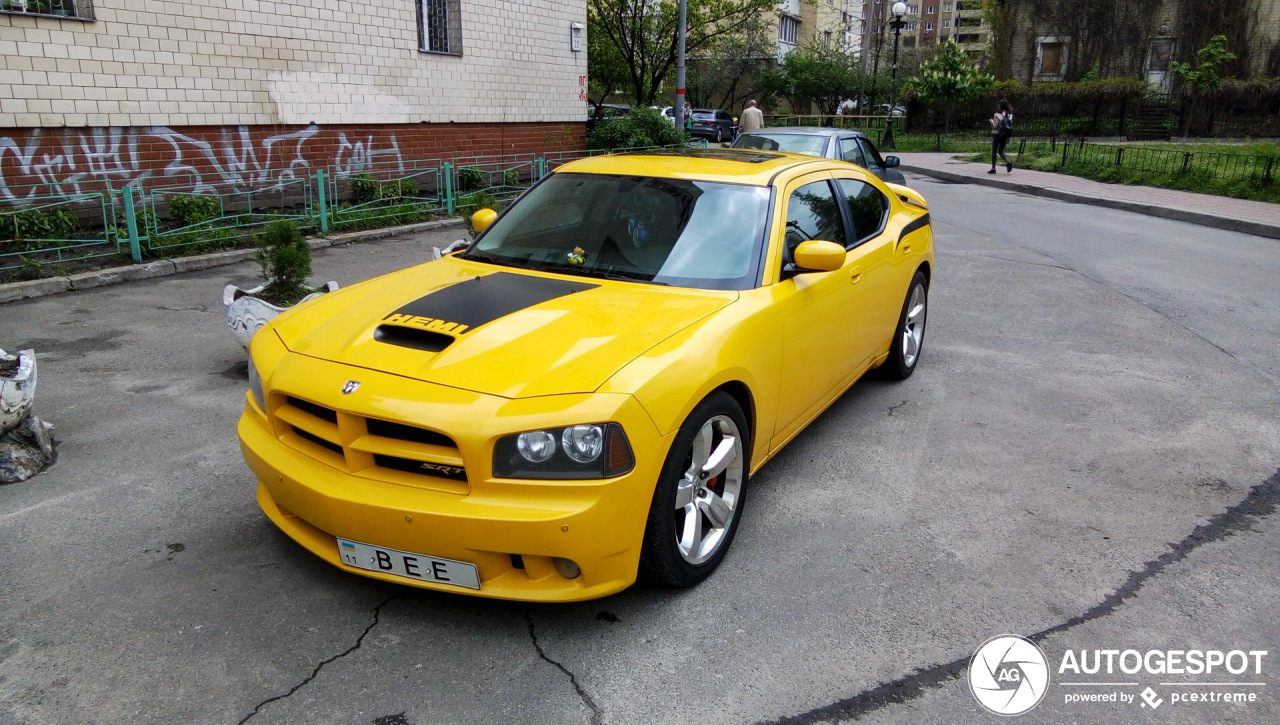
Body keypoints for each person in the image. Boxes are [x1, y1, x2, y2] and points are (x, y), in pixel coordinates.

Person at [989, 99, 1014, 174]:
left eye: (998, 105)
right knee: (1001, 151)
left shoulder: (997, 114)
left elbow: (994, 126)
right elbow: (1009, 127)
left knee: (994, 151)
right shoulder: (1010, 115)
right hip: (1005, 135)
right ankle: (1008, 162)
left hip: (997, 134)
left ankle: (993, 168)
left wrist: (991, 121)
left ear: (1000, 106)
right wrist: (1008, 138)